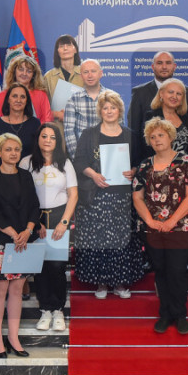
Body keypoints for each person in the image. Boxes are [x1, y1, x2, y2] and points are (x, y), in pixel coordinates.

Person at [73, 91, 145, 299]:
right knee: (99, 241)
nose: (109, 111)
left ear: (119, 110)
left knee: (122, 241)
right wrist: (94, 175)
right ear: (100, 111)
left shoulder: (130, 134)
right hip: (96, 197)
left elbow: (140, 161)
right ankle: (101, 283)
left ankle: (120, 283)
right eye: (105, 108)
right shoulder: (89, 134)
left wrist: (134, 170)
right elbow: (79, 161)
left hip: (123, 198)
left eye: (113, 107)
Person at [133, 118, 188, 334]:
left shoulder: (187, 161)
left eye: (160, 135)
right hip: (153, 228)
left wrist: (172, 221)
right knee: (161, 270)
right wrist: (150, 221)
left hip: (181, 227)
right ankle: (165, 314)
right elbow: (137, 197)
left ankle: (180, 315)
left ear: (170, 137)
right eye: (152, 137)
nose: (156, 140)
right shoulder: (144, 165)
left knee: (177, 271)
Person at [0, 133, 41, 359]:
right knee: (0, 291)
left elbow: (34, 206)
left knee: (17, 290)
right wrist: (13, 233)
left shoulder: (26, 176)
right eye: (8, 149)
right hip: (2, 241)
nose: (13, 153)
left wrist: (27, 231)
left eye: (16, 149)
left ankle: (14, 338)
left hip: (24, 241)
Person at [20, 123, 78, 332]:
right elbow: (22, 195)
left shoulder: (65, 163)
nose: (48, 140)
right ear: (38, 139)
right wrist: (34, 223)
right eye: (44, 136)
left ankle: (58, 310)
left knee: (57, 267)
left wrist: (64, 222)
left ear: (58, 141)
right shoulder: (26, 162)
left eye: (52, 137)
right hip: (34, 218)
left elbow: (73, 194)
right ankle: (45, 309)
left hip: (58, 217)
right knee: (40, 267)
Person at [127, 51, 188, 161]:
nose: (164, 67)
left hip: (185, 166)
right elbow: (134, 133)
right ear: (153, 66)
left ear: (174, 66)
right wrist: (137, 164)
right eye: (160, 63)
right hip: (153, 164)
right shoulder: (139, 93)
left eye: (168, 63)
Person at [137, 77, 188, 164]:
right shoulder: (150, 117)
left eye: (179, 94)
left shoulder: (187, 119)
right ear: (161, 94)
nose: (174, 96)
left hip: (186, 167)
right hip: (159, 167)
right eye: (171, 92)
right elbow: (146, 147)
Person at [0, 55, 53, 123]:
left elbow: (47, 120)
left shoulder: (41, 95)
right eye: (21, 69)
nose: (24, 74)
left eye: (29, 71)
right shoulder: (2, 96)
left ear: (33, 75)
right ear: (14, 71)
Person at [0, 83, 41, 159]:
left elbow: (39, 153)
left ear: (27, 101)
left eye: (22, 97)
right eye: (14, 96)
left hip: (28, 166)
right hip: (1, 166)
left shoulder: (35, 123)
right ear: (8, 99)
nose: (18, 100)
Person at [63, 58, 105, 154]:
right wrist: (77, 157)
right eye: (86, 72)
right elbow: (69, 131)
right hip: (82, 155)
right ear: (81, 76)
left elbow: (119, 128)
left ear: (101, 73)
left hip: (107, 154)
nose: (90, 75)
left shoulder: (112, 98)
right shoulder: (73, 99)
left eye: (93, 71)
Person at [45, 34, 84, 121]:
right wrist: (57, 114)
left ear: (75, 50)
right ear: (57, 51)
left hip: (80, 125)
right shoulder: (48, 76)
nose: (65, 48)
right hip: (55, 126)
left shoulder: (85, 73)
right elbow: (42, 107)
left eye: (69, 45)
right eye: (61, 46)